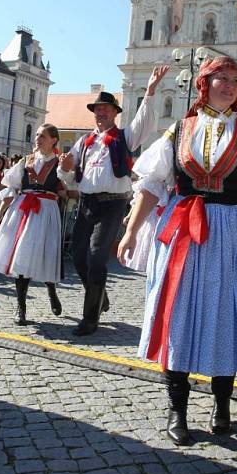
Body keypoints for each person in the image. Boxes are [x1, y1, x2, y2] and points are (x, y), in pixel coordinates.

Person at [117, 55, 237, 446]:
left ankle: (222, 404)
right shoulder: (178, 131)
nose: (230, 86)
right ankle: (177, 408)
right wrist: (130, 232)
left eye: (235, 80)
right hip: (181, 229)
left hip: (231, 231)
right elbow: (150, 186)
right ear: (203, 84)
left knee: (225, 313)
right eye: (222, 79)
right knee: (177, 313)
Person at [59, 66, 169, 336]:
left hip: (112, 204)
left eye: (106, 108)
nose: (101, 112)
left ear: (115, 113)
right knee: (78, 257)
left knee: (97, 258)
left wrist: (151, 92)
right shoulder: (84, 141)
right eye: (98, 109)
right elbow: (68, 173)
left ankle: (90, 318)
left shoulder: (123, 137)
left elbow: (143, 122)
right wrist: (64, 165)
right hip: (87, 203)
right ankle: (100, 297)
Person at [0, 124, 66, 324]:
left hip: (47, 210)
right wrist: (0, 212)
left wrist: (67, 179)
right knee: (22, 255)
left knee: (46, 253)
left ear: (54, 139)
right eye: (37, 135)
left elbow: (68, 187)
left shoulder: (60, 163)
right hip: (24, 210)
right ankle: (21, 307)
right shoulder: (24, 161)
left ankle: (51, 289)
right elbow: (12, 188)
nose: (38, 139)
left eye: (43, 136)